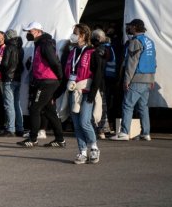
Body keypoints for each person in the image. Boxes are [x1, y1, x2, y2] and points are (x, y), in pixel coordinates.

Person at [17, 22, 65, 148]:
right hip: (44, 81)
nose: (27, 34)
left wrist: (60, 78)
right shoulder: (39, 44)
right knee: (49, 111)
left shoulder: (45, 44)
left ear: (38, 31)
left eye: (30, 31)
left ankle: (33, 139)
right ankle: (60, 139)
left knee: (34, 109)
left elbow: (55, 62)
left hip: (47, 82)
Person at [111, 19, 156, 141]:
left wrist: (127, 80)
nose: (128, 28)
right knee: (143, 107)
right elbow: (153, 61)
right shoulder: (149, 41)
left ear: (135, 27)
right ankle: (146, 133)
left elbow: (132, 63)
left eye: (130, 26)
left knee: (127, 105)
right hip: (148, 79)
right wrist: (152, 79)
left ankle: (124, 132)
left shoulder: (135, 42)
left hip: (137, 78)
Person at [64, 24, 102, 164]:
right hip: (73, 90)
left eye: (75, 33)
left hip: (86, 90)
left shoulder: (93, 52)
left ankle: (93, 147)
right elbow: (66, 74)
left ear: (83, 35)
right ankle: (82, 151)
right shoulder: (72, 52)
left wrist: (92, 94)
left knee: (84, 121)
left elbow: (98, 74)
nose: (73, 35)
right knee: (76, 123)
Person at [0, 30, 25, 137]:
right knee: (16, 103)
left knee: (9, 104)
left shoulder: (9, 47)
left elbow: (5, 63)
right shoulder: (20, 47)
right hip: (17, 78)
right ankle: (20, 128)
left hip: (9, 78)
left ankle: (10, 129)